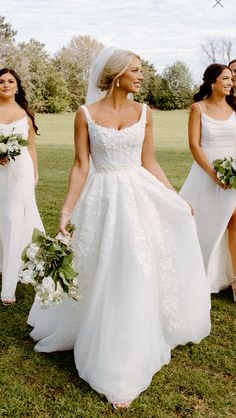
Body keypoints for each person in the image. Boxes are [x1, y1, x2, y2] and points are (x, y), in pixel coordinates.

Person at [28, 49, 211, 409]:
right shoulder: (85, 115)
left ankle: (129, 349)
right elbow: (81, 165)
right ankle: (99, 337)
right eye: (136, 70)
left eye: (141, 71)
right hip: (101, 199)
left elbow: (150, 161)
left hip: (138, 197)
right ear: (115, 75)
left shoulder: (145, 113)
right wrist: (66, 210)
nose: (141, 76)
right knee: (100, 267)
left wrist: (175, 197)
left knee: (136, 266)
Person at [180, 64, 236, 300]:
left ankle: (235, 280)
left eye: (231, 79)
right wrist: (214, 175)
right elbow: (194, 145)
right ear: (212, 82)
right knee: (204, 222)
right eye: (225, 78)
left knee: (233, 219)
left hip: (233, 172)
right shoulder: (198, 109)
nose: (230, 82)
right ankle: (198, 272)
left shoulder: (235, 107)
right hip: (206, 173)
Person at [0, 68, 44, 305]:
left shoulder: (25, 115)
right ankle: (5, 262)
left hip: (21, 173)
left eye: (10, 81)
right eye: (1, 81)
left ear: (17, 86)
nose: (5, 85)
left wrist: (35, 173)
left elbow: (31, 148)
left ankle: (8, 288)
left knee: (11, 218)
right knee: (2, 218)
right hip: (0, 172)